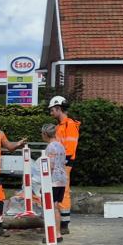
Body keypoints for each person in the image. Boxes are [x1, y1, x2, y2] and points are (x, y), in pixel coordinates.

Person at [48, 96, 80, 227]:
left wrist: (63, 161)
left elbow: (70, 146)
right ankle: (60, 219)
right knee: (59, 189)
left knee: (63, 190)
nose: (51, 113)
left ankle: (64, 223)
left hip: (64, 163)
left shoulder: (69, 125)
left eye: (52, 110)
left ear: (59, 109)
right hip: (60, 163)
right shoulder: (60, 126)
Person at [40, 121, 70, 233]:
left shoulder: (50, 147)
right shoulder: (61, 146)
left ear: (45, 134)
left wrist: (44, 182)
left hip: (53, 180)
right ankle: (57, 232)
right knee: (56, 206)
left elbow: (50, 166)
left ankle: (53, 233)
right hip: (62, 179)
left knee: (51, 207)